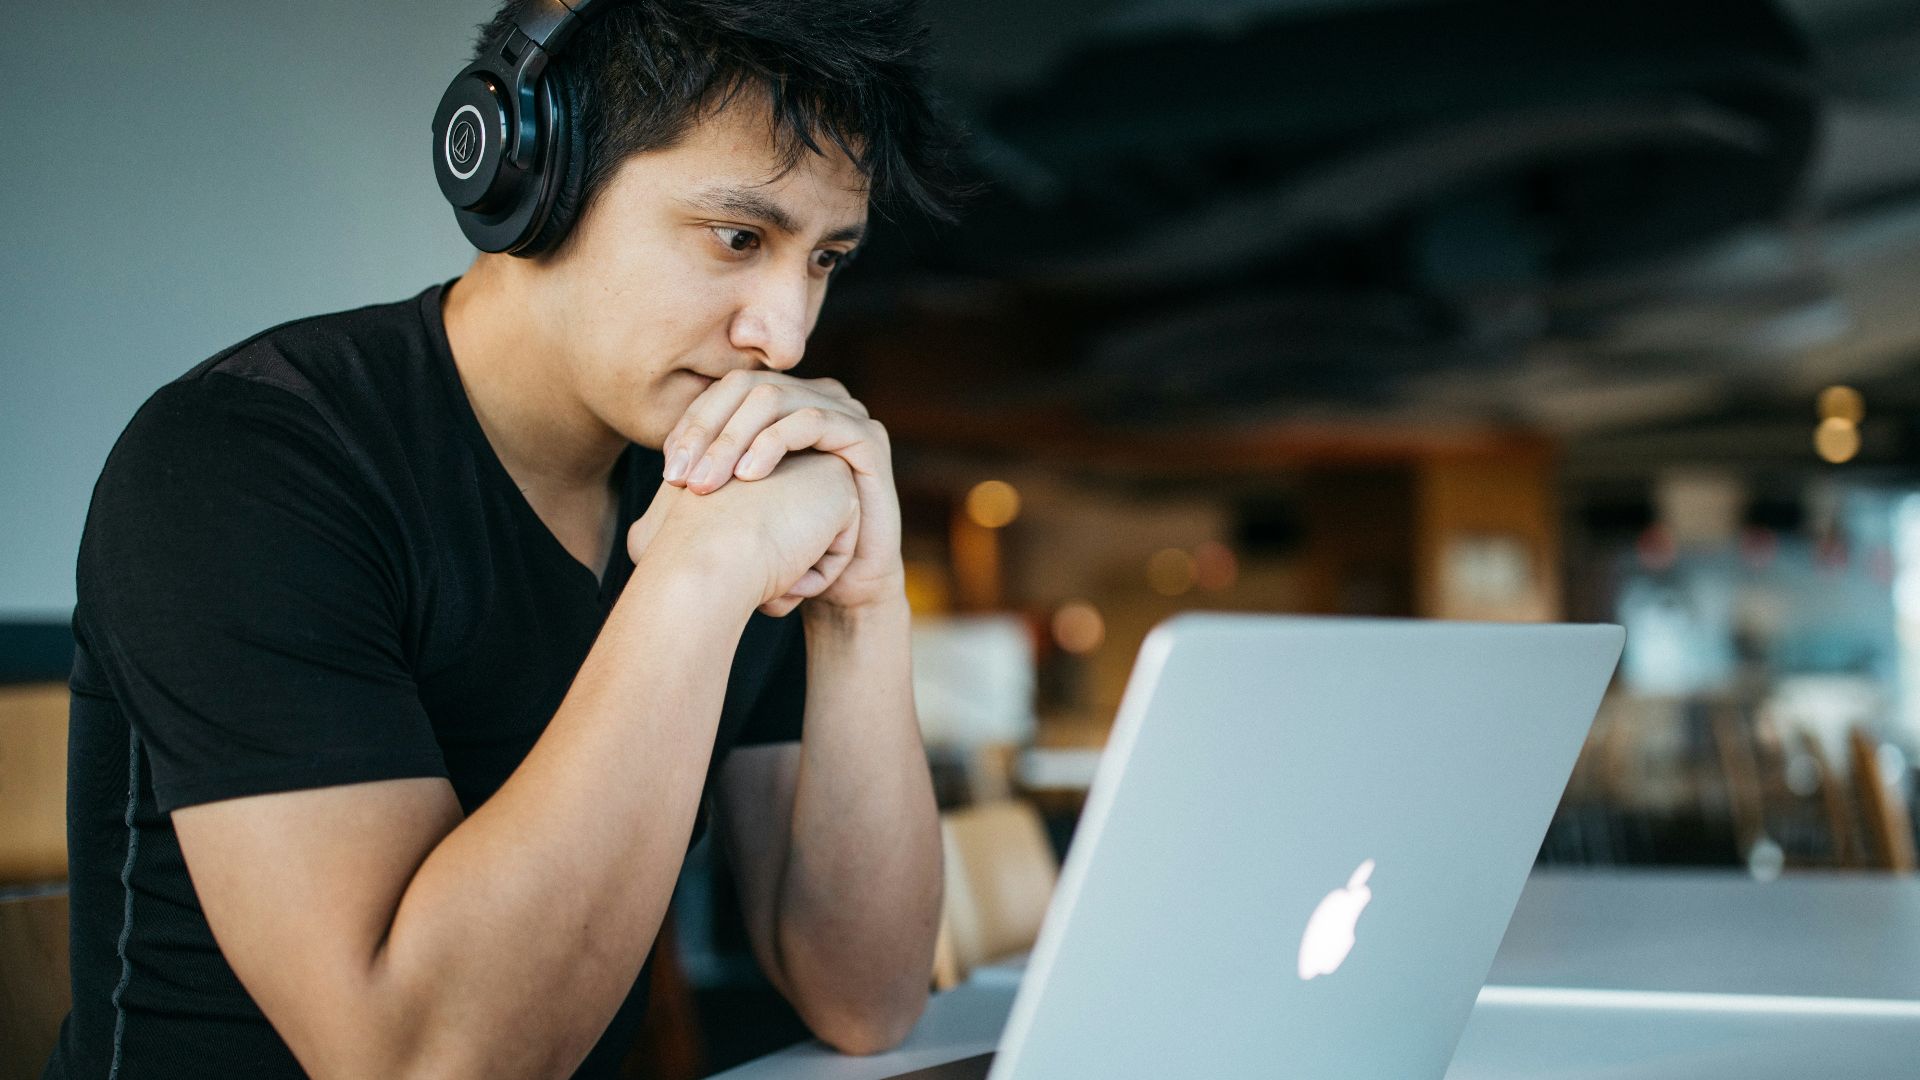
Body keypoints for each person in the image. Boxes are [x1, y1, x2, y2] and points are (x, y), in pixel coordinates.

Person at [47, 1, 966, 1076]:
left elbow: (866, 996)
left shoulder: (728, 480)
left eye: (825, 259)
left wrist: (863, 603)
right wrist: (696, 576)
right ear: (533, 178)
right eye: (739, 238)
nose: (787, 333)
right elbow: (420, 1060)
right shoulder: (242, 461)